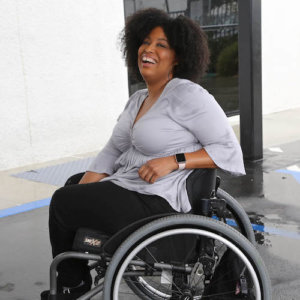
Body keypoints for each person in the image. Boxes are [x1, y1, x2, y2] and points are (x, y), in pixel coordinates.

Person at [41, 8, 245, 300]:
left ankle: (73, 285)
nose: (148, 50)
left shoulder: (188, 95)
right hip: (132, 185)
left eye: (161, 45)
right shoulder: (138, 98)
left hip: (159, 199)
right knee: (73, 187)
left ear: (178, 56)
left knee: (63, 202)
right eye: (145, 42)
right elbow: (112, 151)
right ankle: (75, 275)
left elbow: (229, 151)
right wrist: (86, 186)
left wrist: (174, 161)